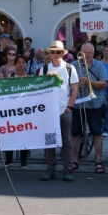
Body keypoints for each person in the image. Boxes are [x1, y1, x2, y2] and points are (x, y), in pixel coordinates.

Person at [39, 41, 79, 182]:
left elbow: (74, 90)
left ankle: (67, 171)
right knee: (49, 141)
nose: (55, 55)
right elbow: (40, 91)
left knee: (67, 141)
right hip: (49, 111)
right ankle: (50, 170)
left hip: (64, 109)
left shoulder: (69, 68)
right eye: (53, 52)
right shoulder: (44, 69)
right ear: (50, 53)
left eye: (58, 52)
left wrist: (69, 107)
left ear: (63, 53)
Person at [71, 43, 108, 173]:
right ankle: (74, 161)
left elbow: (104, 83)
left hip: (94, 104)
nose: (87, 55)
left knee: (97, 133)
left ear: (93, 53)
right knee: (75, 134)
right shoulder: (73, 66)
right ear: (80, 53)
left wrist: (89, 82)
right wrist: (76, 86)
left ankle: (99, 161)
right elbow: (67, 84)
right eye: (84, 53)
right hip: (77, 104)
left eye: (89, 53)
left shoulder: (99, 65)